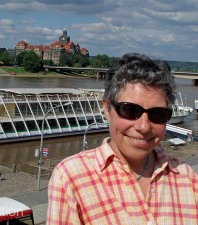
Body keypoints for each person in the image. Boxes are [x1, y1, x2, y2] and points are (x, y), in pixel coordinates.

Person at [47, 53, 198, 224]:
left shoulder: (187, 177)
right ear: (106, 108)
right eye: (130, 110)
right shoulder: (70, 177)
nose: (143, 126)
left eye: (158, 114)